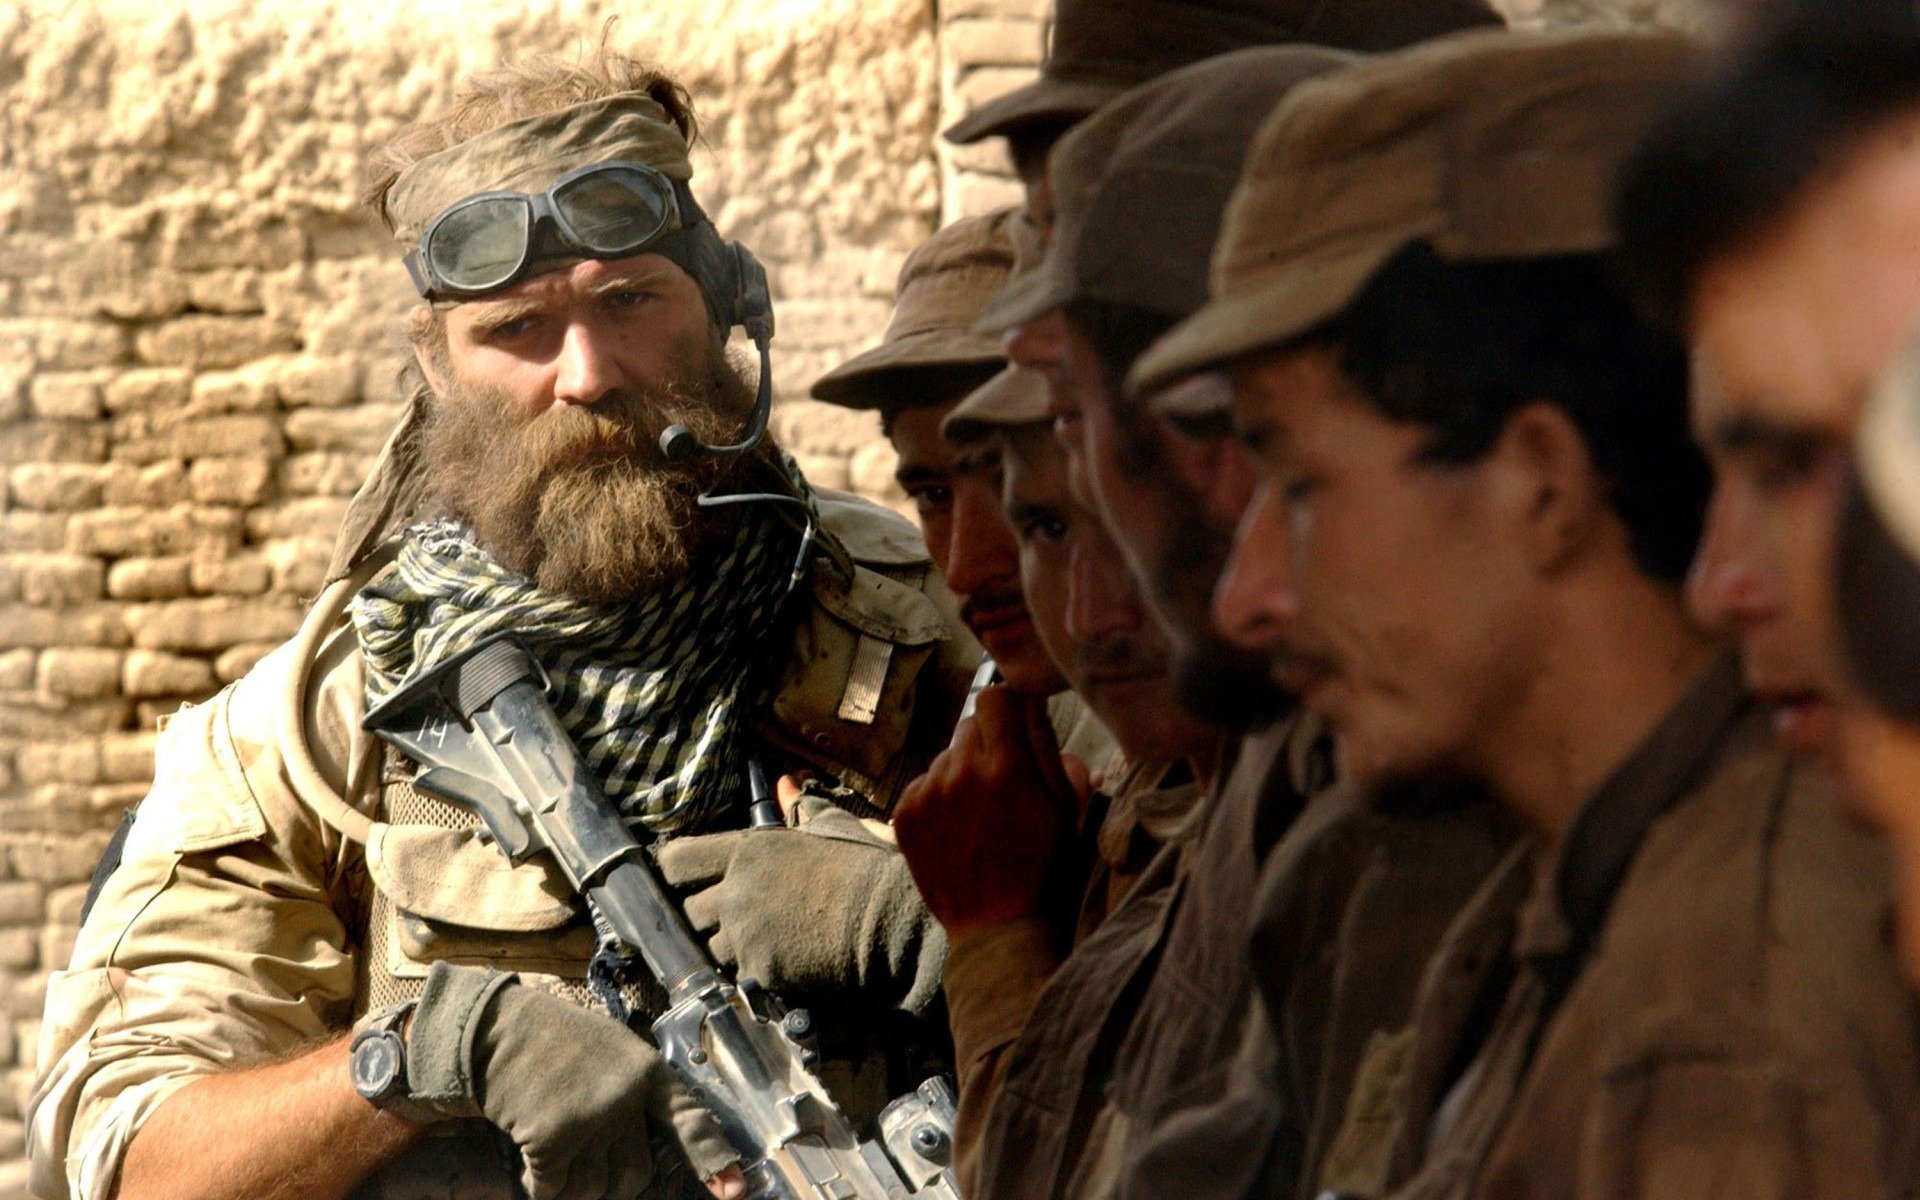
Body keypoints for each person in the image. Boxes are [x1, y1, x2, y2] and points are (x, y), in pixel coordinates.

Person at [29, 50, 975, 1200]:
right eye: (518, 327)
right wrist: (422, 1053)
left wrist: (934, 923)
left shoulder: (946, 621)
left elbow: (1210, 975)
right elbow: (128, 1157)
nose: (585, 373)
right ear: (436, 369)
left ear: (732, 306)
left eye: (631, 302)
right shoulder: (323, 723)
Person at [1132, 26, 1920, 1200]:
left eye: (1298, 486)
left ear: (1541, 476)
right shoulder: (1555, 899)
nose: (1251, 600)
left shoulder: (1719, 1003)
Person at [899, 371, 1219, 1193]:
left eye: (1038, 510)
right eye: (933, 493)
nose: (968, 565)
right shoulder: (1152, 768)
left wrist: (989, 933)